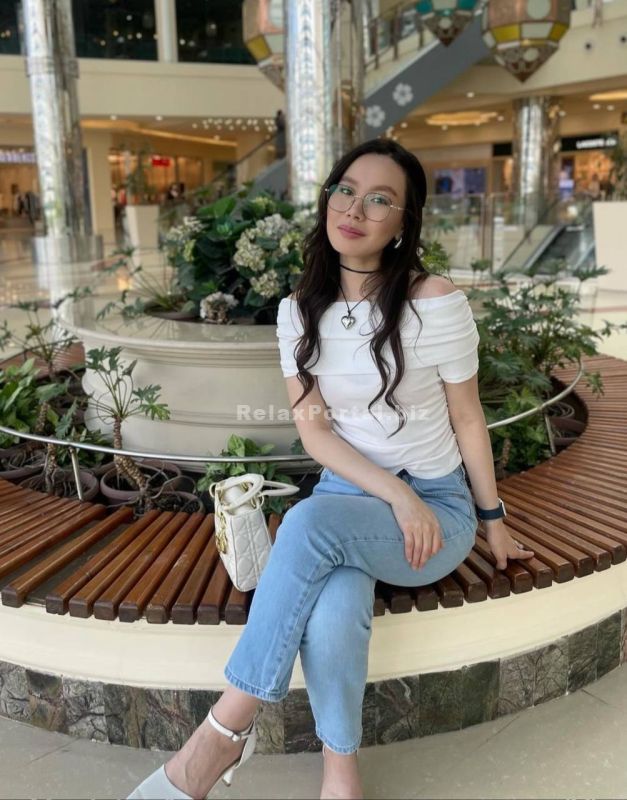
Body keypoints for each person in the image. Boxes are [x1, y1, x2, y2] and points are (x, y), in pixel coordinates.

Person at [126, 139, 534, 800]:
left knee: (307, 525)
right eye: (345, 190)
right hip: (359, 501)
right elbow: (315, 431)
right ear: (327, 200)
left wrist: (491, 520)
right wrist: (392, 494)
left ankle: (222, 734)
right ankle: (341, 775)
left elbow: (466, 417)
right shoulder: (297, 312)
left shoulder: (435, 301)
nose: (355, 209)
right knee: (334, 603)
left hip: (435, 512)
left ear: (402, 223)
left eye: (380, 199)